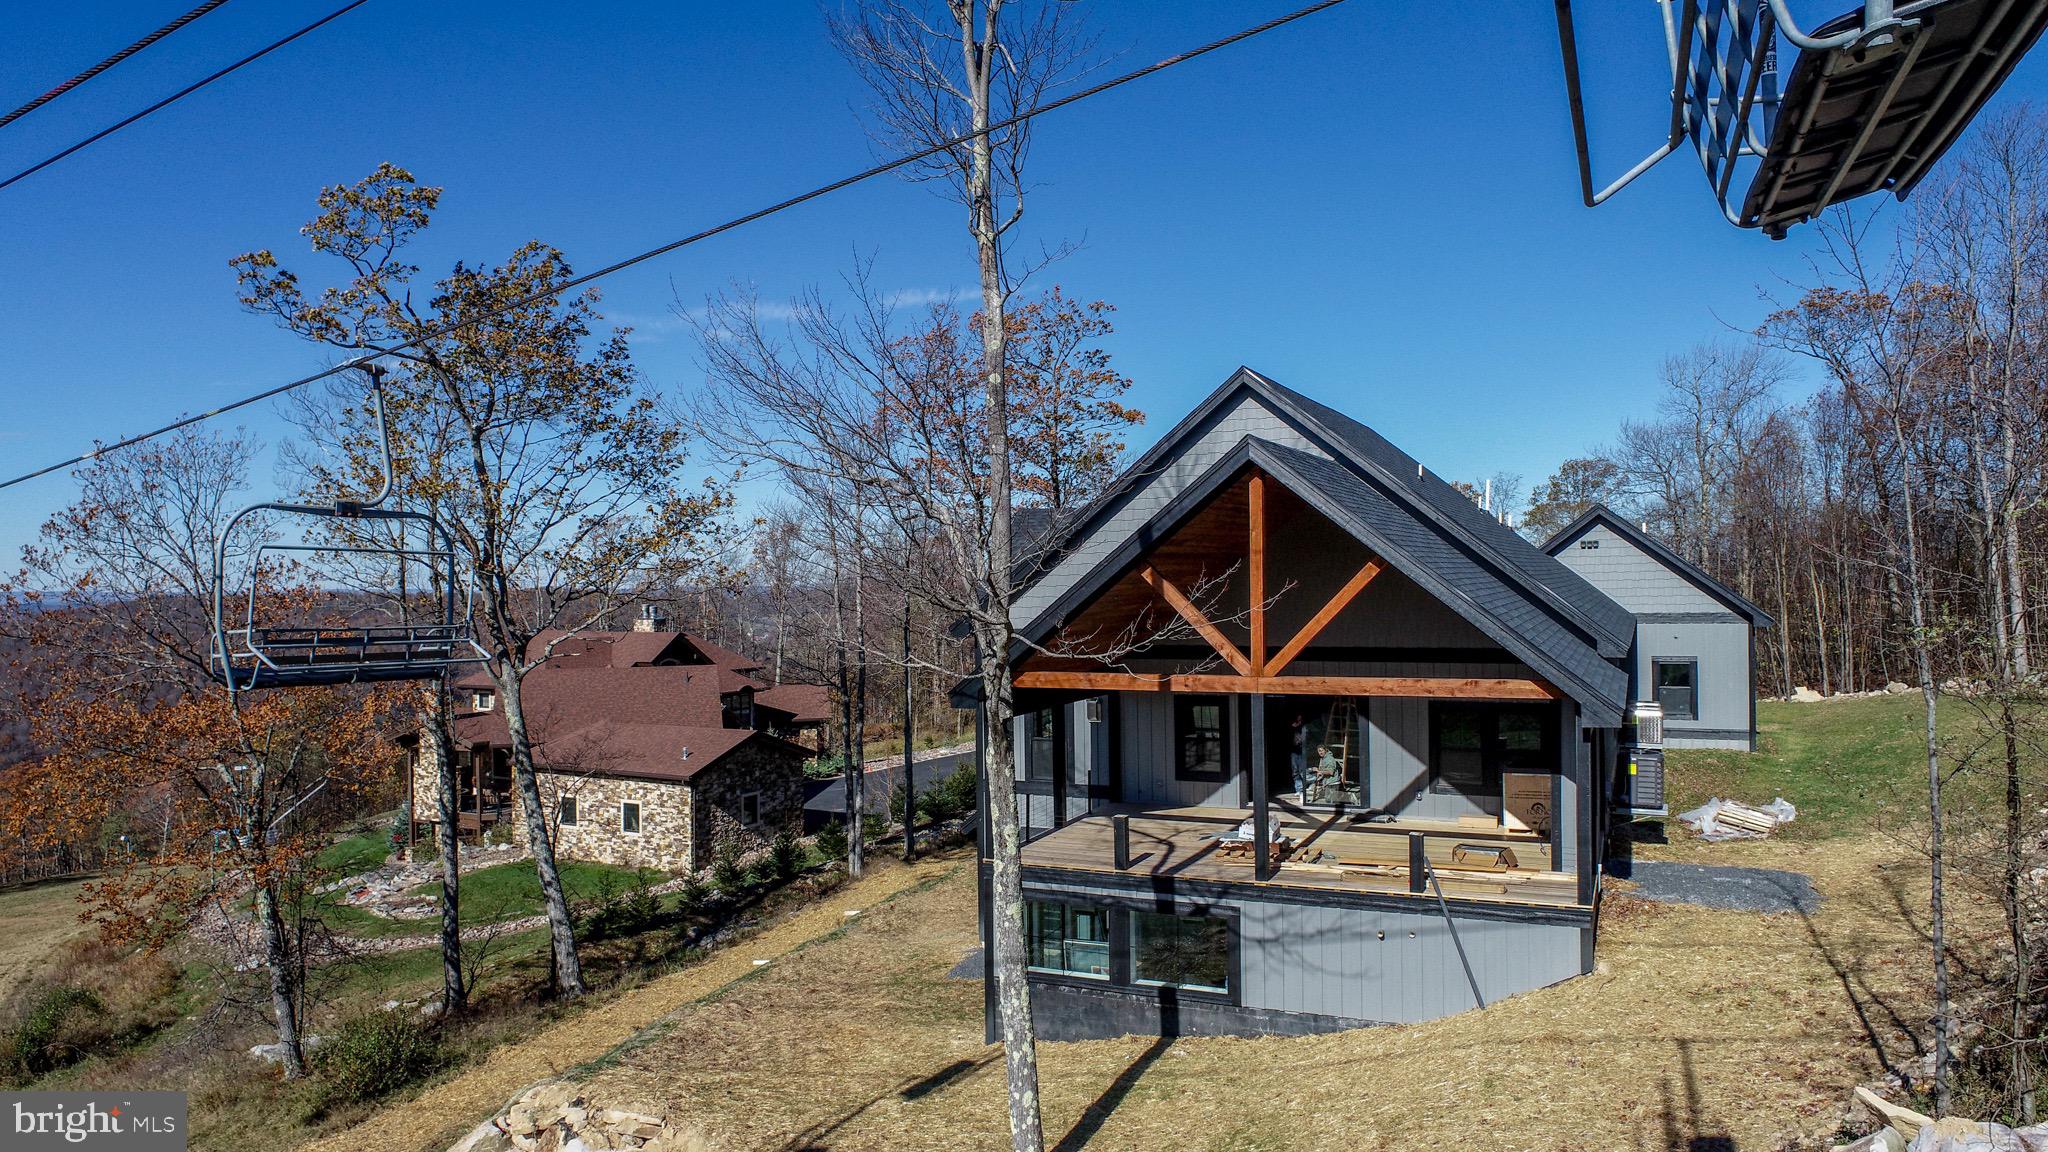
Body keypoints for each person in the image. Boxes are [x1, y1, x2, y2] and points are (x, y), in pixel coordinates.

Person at [1289, 714, 1308, 798]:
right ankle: (1299, 789)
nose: (1299, 721)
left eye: (1300, 719)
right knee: (1295, 770)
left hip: (1302, 751)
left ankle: (1305, 789)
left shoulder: (1305, 728)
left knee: (1302, 771)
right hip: (1294, 751)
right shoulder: (1292, 727)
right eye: (1298, 719)